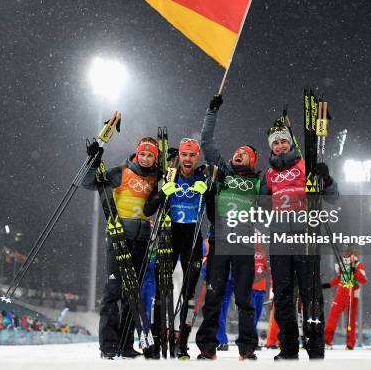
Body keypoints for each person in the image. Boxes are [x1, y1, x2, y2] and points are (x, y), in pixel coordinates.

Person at [262, 117, 338, 360]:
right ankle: (288, 349)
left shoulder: (306, 165)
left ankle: (315, 349)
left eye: (284, 141)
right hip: (279, 238)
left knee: (311, 293)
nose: (281, 146)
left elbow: (333, 197)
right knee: (283, 294)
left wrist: (326, 179)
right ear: (271, 147)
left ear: (291, 143)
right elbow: (262, 208)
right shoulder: (269, 174)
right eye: (276, 143)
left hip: (306, 235)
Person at [195, 94, 260, 361]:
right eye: (237, 151)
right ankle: (207, 347)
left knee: (244, 299)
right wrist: (212, 111)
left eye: (244, 154)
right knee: (213, 296)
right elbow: (207, 143)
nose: (238, 154)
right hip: (220, 241)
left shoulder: (258, 183)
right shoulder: (223, 171)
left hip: (244, 244)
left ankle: (247, 349)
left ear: (252, 161)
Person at [83, 137, 160, 360]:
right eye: (142, 154)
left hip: (142, 240)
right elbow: (90, 183)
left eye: (150, 155)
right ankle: (108, 345)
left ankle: (125, 345)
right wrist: (93, 160)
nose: (145, 159)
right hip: (119, 236)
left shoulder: (157, 178)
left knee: (132, 294)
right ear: (137, 154)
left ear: (155, 158)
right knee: (114, 290)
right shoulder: (123, 171)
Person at [143, 138, 208, 359]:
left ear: (197, 157)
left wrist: (207, 193)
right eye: (184, 155)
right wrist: (163, 193)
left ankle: (182, 343)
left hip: (192, 236)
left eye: (192, 155)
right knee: (162, 290)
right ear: (179, 156)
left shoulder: (203, 176)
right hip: (170, 234)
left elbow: (213, 214)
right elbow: (148, 208)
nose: (188, 159)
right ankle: (157, 339)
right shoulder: (168, 176)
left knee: (189, 294)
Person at [323, 245, 367, 349]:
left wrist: (354, 271)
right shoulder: (341, 263)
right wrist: (328, 285)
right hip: (340, 293)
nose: (345, 254)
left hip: (352, 294)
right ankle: (327, 341)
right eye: (344, 252)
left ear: (351, 252)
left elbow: (363, 280)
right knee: (332, 318)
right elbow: (340, 278)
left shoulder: (357, 264)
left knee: (350, 320)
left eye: (347, 252)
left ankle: (350, 344)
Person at [251, 243, 270, 349]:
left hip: (261, 290)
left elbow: (266, 270)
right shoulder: (247, 252)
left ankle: (251, 339)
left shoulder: (263, 254)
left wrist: (264, 274)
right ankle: (252, 341)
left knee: (256, 316)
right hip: (252, 289)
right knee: (252, 317)